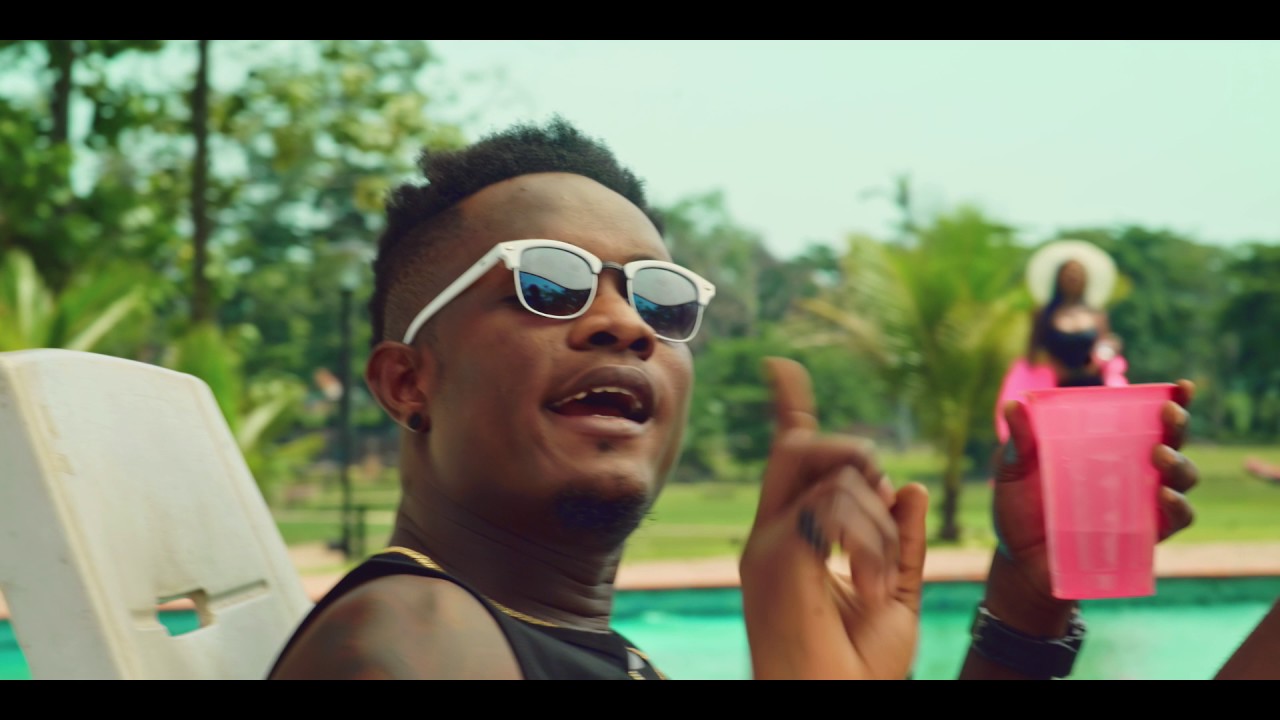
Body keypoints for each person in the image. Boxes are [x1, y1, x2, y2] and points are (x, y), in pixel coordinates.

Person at [267, 117, 1201, 680]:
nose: (625, 323)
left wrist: (1028, 605)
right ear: (408, 382)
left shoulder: (548, 642)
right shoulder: (414, 644)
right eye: (549, 283)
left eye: (661, 298)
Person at [995, 239, 1128, 443]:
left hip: (1093, 385)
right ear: (1058, 278)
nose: (1073, 277)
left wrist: (1102, 356)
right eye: (1068, 272)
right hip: (1056, 388)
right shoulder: (1043, 314)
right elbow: (1033, 352)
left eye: (1077, 272)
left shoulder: (1097, 315)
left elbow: (1106, 344)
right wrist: (1054, 366)